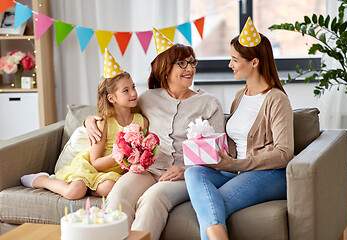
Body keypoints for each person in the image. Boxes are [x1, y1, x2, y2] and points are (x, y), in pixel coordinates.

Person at [84, 28, 225, 240]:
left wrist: (186, 169)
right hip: (148, 170)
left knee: (153, 199)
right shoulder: (147, 99)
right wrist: (88, 121)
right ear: (165, 69)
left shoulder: (209, 103)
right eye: (182, 63)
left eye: (192, 62)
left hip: (187, 176)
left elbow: (219, 153)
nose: (190, 68)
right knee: (118, 194)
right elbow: (115, 112)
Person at [184, 17, 294, 240]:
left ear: (254, 62)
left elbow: (284, 153)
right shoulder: (239, 96)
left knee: (212, 205)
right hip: (236, 172)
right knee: (193, 172)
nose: (230, 65)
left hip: (269, 175)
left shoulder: (276, 99)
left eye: (235, 59)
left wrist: (236, 163)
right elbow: (234, 143)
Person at [20, 50, 148, 200]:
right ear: (111, 98)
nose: (133, 93)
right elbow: (95, 162)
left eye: (133, 87)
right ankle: (43, 180)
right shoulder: (104, 123)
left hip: (113, 175)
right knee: (74, 192)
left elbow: (144, 152)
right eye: (126, 90)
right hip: (91, 168)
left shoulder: (141, 122)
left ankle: (88, 188)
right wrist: (121, 154)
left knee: (110, 187)